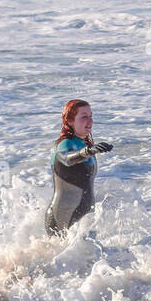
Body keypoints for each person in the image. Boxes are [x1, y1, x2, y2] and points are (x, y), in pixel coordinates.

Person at [46, 98, 113, 235]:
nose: (90, 120)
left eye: (91, 116)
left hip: (82, 219)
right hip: (62, 217)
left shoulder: (83, 144)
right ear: (70, 121)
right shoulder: (65, 144)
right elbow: (66, 159)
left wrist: (89, 150)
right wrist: (89, 151)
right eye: (84, 117)